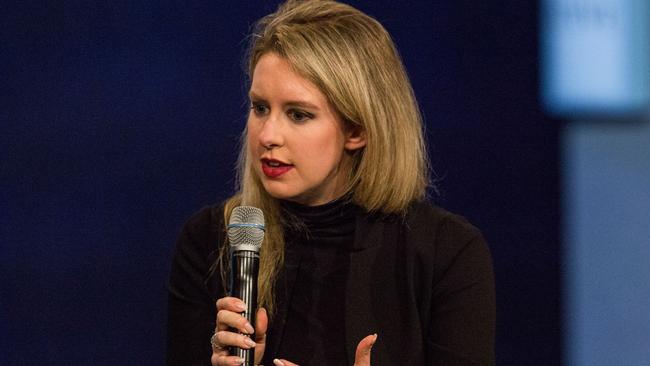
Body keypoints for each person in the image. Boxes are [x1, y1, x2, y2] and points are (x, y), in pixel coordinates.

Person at [166, 0, 495, 365]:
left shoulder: (445, 252)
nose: (267, 135)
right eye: (260, 108)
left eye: (298, 114)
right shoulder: (211, 240)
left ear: (357, 130)